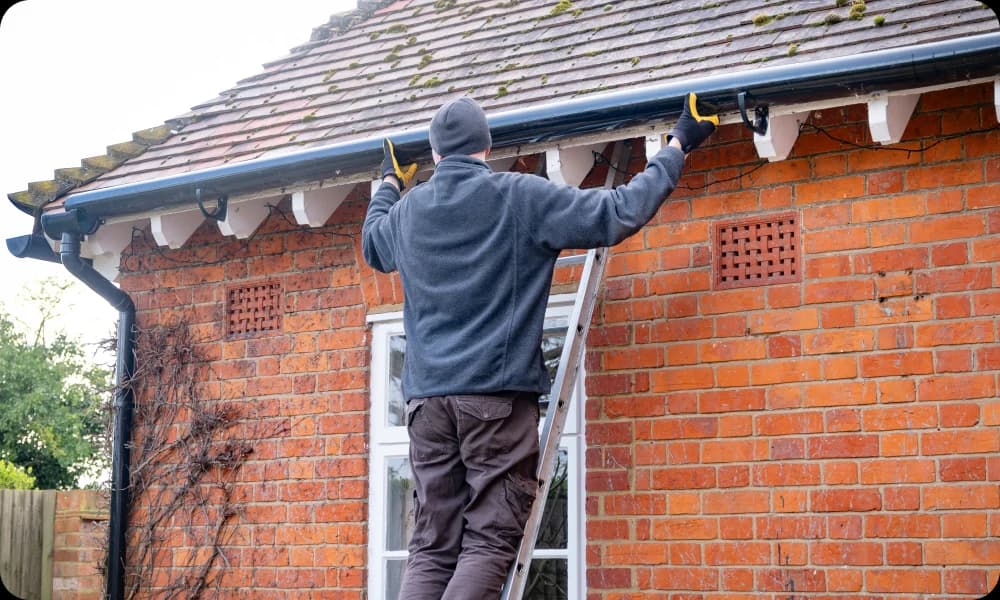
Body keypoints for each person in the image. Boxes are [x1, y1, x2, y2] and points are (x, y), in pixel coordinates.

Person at [362, 94, 717, 599]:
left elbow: (372, 242)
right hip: (494, 399)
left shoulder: (408, 213)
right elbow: (620, 210)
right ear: (487, 147)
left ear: (436, 155)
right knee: (488, 541)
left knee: (431, 548)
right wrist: (679, 143)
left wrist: (390, 181)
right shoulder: (519, 196)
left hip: (426, 408)